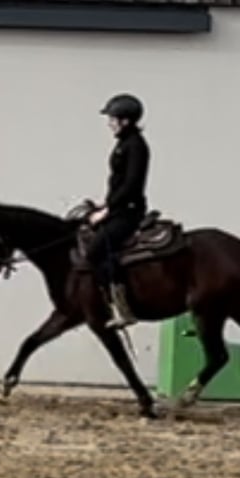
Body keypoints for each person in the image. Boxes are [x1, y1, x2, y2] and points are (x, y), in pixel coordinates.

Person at [86, 93, 150, 329]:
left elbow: (132, 185)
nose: (109, 123)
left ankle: (123, 309)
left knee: (97, 251)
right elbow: (118, 182)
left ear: (125, 121)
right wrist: (105, 203)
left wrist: (108, 210)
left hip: (128, 212)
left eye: (113, 119)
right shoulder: (124, 143)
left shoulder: (136, 146)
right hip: (117, 208)